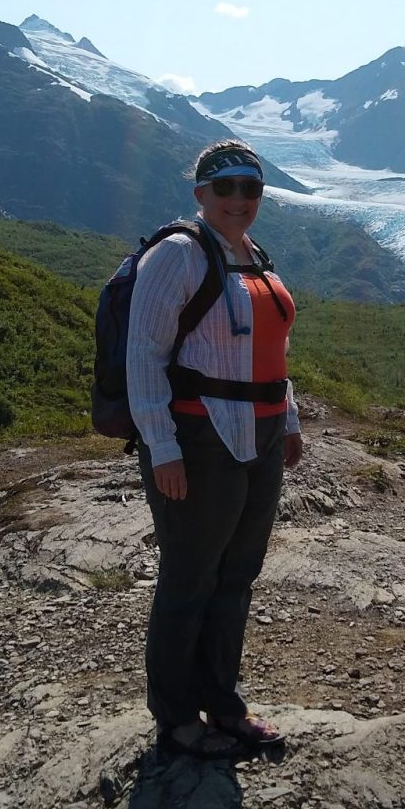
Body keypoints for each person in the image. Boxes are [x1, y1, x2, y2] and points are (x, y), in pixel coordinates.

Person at [126, 140, 304, 758]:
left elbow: (273, 351)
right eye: (224, 187)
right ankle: (176, 717)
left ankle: (223, 704)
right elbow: (143, 355)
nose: (238, 199)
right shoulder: (180, 253)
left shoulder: (253, 255)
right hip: (200, 438)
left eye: (249, 188)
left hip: (259, 434)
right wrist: (162, 446)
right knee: (190, 576)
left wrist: (290, 418)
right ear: (200, 194)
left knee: (237, 576)